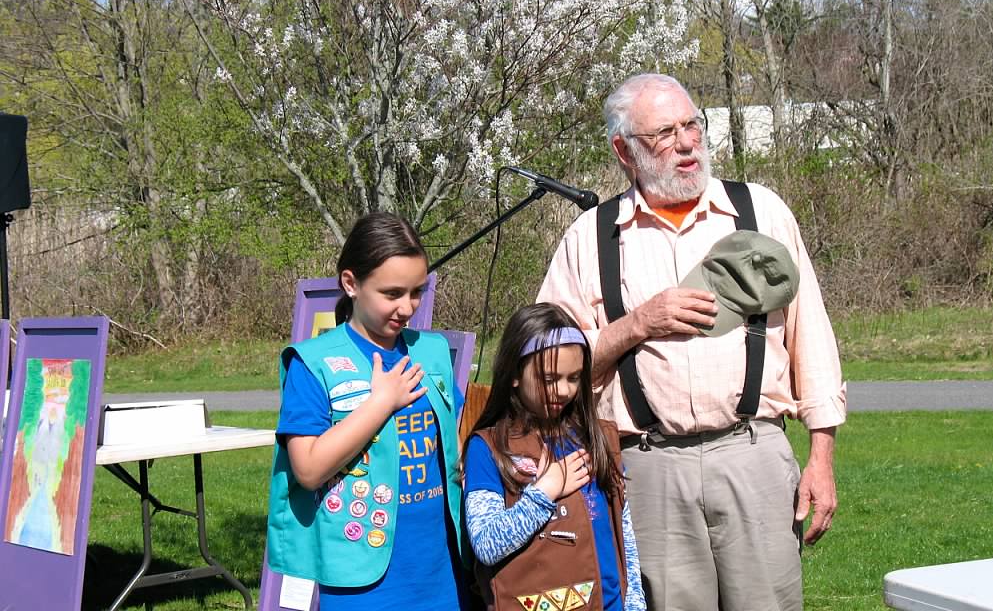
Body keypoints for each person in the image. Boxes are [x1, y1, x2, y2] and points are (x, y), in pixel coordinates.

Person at [537, 74, 847, 611]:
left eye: (692, 125)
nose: (686, 143)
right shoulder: (590, 237)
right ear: (624, 151)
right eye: (664, 133)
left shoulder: (761, 212)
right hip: (649, 466)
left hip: (754, 454)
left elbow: (811, 337)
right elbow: (547, 367)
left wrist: (821, 456)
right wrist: (636, 325)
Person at [266, 212, 468, 610]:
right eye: (392, 293)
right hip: (359, 573)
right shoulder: (313, 364)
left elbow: (456, 434)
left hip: (439, 565)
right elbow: (307, 469)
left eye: (417, 292)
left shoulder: (433, 352)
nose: (407, 307)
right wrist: (380, 404)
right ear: (351, 284)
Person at [463, 302, 646, 611]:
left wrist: (635, 603)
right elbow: (486, 544)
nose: (563, 390)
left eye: (573, 378)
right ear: (514, 375)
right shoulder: (488, 447)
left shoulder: (597, 438)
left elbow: (623, 532)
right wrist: (545, 491)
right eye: (549, 379)